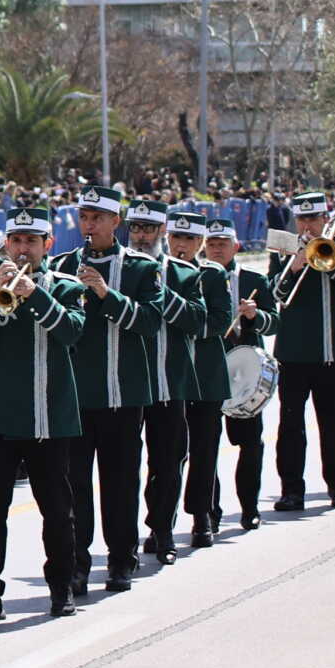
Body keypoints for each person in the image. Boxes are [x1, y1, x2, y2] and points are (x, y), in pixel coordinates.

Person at [0, 209, 86, 624]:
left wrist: (35, 294)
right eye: (16, 241)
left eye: (31, 242)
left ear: (47, 245)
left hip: (49, 416)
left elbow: (71, 332)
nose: (22, 249)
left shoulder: (65, 286)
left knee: (57, 510)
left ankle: (61, 589)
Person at [51, 183, 160, 593]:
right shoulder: (62, 264)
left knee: (120, 483)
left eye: (98, 218)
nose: (89, 224)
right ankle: (77, 563)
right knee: (73, 484)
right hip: (75, 396)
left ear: (117, 222)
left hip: (123, 394)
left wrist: (105, 293)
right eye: (85, 217)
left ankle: (120, 559)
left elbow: (150, 322)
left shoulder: (140, 268)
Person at [268, 190, 335, 512]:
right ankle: (291, 490)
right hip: (295, 354)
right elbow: (276, 293)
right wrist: (296, 265)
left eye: (314, 218)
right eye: (302, 218)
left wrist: (334, 262)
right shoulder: (283, 250)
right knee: (290, 424)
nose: (308, 225)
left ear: (326, 218)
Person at [131, 201, 204, 564]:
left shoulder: (184, 273)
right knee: (127, 466)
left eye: (149, 229)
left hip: (169, 383)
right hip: (128, 386)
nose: (142, 236)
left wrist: (161, 291)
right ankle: (132, 533)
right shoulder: (124, 271)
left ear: (162, 231)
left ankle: (162, 529)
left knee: (169, 460)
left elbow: (198, 321)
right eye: (136, 229)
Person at [207, 219, 276, 532]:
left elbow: (274, 322)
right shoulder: (197, 277)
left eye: (223, 243)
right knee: (205, 447)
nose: (217, 248)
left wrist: (254, 316)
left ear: (236, 246)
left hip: (244, 374)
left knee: (250, 444)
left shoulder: (255, 279)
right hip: (208, 372)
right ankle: (209, 512)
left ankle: (249, 507)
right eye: (212, 243)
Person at [177, 205, 234, 550]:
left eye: (188, 238)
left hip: (207, 377)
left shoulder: (212, 275)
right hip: (171, 379)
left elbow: (218, 322)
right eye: (176, 237)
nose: (181, 244)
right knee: (167, 457)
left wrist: (183, 316)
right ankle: (161, 524)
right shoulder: (160, 271)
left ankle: (202, 517)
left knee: (204, 452)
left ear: (199, 241)